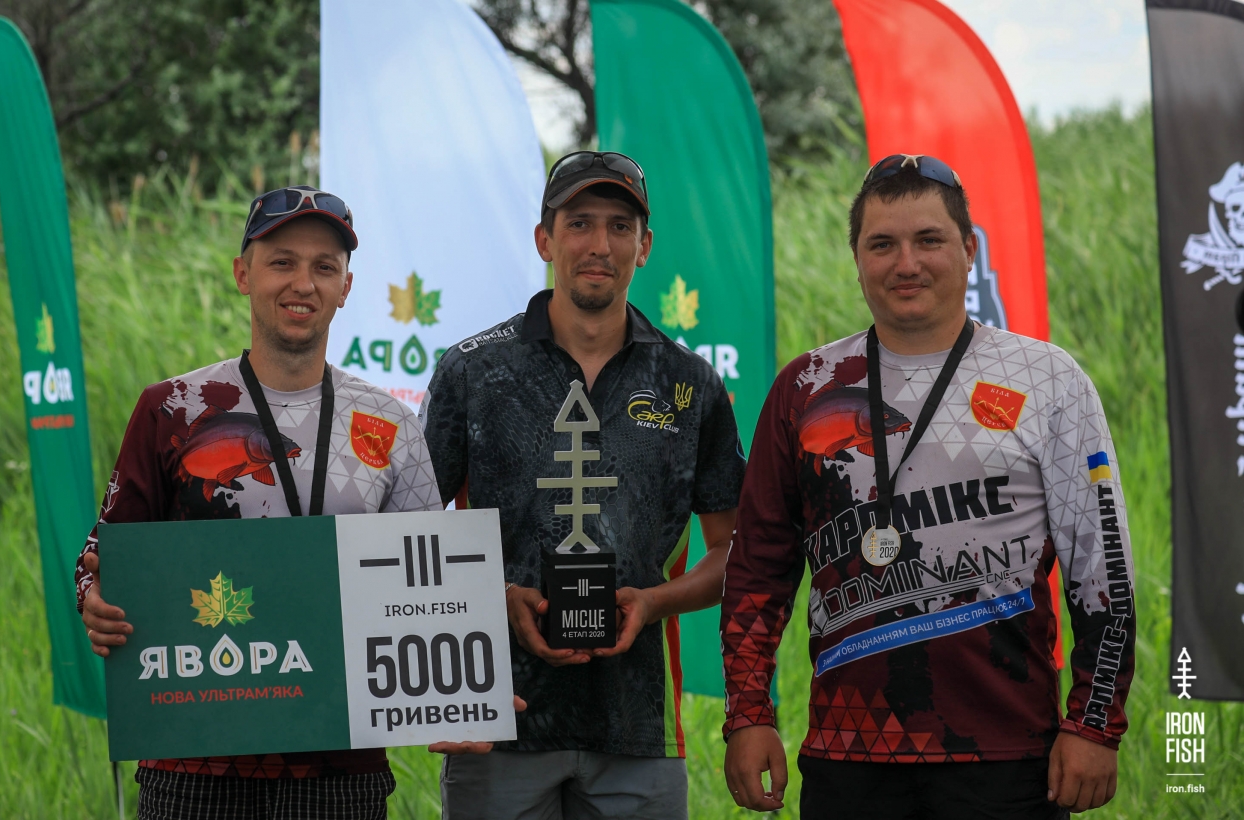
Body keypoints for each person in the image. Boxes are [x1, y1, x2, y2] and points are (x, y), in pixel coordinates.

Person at [721, 154, 1136, 818]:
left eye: (929, 240)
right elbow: (757, 569)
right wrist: (748, 715)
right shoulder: (806, 386)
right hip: (848, 756)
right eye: (882, 244)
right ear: (857, 258)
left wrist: (1094, 724)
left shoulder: (1048, 380)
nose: (906, 263)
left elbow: (1103, 569)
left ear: (969, 250)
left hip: (1007, 756)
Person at [75, 185, 487, 819]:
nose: (303, 283)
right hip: (192, 759)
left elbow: (430, 587)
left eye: (325, 267)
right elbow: (101, 555)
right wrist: (93, 598)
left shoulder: (389, 424)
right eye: (282, 262)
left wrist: (464, 698)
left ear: (346, 287)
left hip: (339, 766)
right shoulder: (173, 409)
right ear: (243, 274)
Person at [421, 151, 746, 819]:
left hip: (638, 729)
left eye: (620, 226)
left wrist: (652, 603)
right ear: (545, 239)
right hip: (496, 721)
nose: (600, 245)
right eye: (579, 224)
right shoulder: (472, 372)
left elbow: (732, 553)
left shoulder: (690, 384)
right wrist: (494, 598)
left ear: (644, 247)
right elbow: (412, 538)